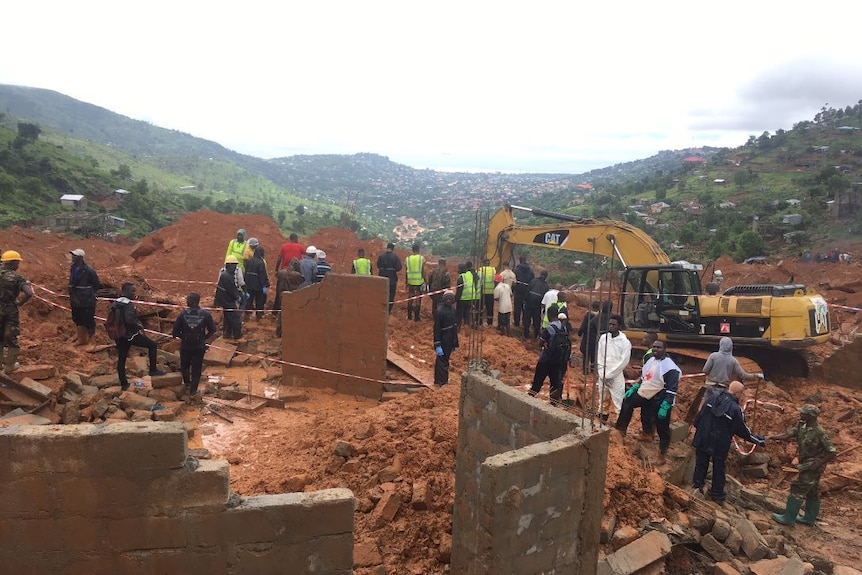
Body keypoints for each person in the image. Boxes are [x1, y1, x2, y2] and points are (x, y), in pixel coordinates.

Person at [690, 381, 765, 503]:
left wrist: (697, 427)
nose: (743, 396)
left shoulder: (712, 398)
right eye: (742, 393)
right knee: (719, 468)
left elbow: (700, 415)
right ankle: (717, 495)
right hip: (720, 443)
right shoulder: (736, 410)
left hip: (703, 436)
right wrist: (758, 440)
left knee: (701, 463)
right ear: (737, 393)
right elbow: (743, 430)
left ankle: (697, 487)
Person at [768, 404, 836, 526]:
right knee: (812, 491)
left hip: (813, 465)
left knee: (798, 488)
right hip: (806, 463)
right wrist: (771, 437)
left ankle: (788, 518)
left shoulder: (819, 432)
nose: (800, 414)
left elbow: (832, 452)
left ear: (811, 416)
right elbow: (788, 434)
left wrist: (818, 463)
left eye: (803, 413)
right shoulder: (801, 425)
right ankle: (809, 519)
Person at [615, 339, 680, 458]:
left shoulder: (670, 368)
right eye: (654, 347)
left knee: (662, 425)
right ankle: (623, 430)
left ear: (665, 349)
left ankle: (662, 453)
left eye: (659, 347)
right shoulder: (651, 360)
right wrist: (636, 387)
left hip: (661, 395)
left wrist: (666, 405)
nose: (656, 349)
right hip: (646, 391)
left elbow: (672, 389)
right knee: (629, 403)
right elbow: (645, 376)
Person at [110, 282, 165, 390]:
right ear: (125, 292)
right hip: (130, 335)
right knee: (152, 345)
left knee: (122, 359)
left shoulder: (115, 303)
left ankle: (124, 384)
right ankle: (153, 370)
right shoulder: (129, 305)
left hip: (119, 335)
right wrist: (139, 326)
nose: (134, 293)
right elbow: (129, 320)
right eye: (132, 291)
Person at [172, 292, 216, 399]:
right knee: (197, 368)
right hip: (199, 346)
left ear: (191, 301)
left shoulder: (182, 314)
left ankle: (187, 383)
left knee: (185, 365)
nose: (186, 301)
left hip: (185, 345)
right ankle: (193, 391)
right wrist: (204, 338)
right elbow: (213, 330)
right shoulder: (205, 314)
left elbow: (175, 331)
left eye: (187, 300)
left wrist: (183, 337)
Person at [0, 250, 34, 373]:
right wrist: (20, 303)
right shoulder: (16, 277)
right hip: (10, 310)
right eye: (18, 262)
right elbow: (29, 293)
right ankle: (10, 366)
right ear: (13, 263)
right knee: (11, 337)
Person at [528, 312, 571, 404]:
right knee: (555, 383)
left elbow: (540, 343)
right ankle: (554, 403)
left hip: (545, 360)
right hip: (558, 361)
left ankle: (528, 400)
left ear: (549, 316)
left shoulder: (548, 328)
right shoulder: (564, 328)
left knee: (537, 382)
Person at [596, 315, 632, 421]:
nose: (611, 326)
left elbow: (623, 361)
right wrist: (602, 373)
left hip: (616, 376)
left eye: (614, 325)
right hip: (603, 375)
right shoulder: (604, 338)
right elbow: (600, 356)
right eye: (610, 324)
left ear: (619, 326)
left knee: (618, 402)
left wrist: (610, 375)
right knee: (602, 400)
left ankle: (619, 428)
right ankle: (601, 422)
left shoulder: (624, 342)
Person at [68, 248, 100, 346]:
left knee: (88, 319)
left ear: (81, 258)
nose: (73, 257)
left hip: (86, 300)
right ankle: (82, 339)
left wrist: (88, 294)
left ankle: (91, 341)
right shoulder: (73, 268)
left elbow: (96, 284)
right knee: (77, 319)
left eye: (75, 256)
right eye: (73, 255)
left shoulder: (89, 270)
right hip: (75, 299)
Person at [433, 290, 459, 385]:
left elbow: (454, 327)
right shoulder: (440, 311)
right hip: (443, 340)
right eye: (447, 299)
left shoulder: (452, 310)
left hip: (449, 340)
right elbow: (437, 329)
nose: (449, 301)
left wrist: (455, 343)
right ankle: (441, 382)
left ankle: (441, 380)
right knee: (442, 362)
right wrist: (437, 344)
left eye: (450, 299)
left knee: (444, 361)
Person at [215, 256, 243, 339]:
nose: (235, 268)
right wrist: (237, 297)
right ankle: (237, 335)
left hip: (225, 300)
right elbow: (231, 290)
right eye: (234, 265)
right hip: (228, 301)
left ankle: (227, 333)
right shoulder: (227, 276)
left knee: (227, 318)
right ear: (229, 265)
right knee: (235, 317)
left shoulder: (226, 275)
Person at [243, 245, 269, 319]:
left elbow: (245, 273)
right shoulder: (261, 263)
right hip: (258, 286)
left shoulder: (249, 261)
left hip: (249, 285)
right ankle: (259, 316)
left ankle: (246, 316)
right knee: (259, 302)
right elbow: (262, 275)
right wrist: (265, 285)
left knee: (249, 301)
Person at [523, 270, 549, 339]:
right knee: (536, 320)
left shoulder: (533, 281)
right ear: (546, 276)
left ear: (540, 274)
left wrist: (525, 301)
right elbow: (545, 297)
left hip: (529, 302)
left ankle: (526, 334)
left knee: (527, 319)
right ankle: (535, 336)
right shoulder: (546, 285)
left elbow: (527, 291)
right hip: (537, 305)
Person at [377, 242, 402, 314]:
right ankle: (388, 311)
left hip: (381, 279)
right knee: (391, 295)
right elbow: (399, 268)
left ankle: (381, 309)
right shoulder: (395, 257)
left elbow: (378, 265)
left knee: (382, 294)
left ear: (387, 248)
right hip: (392, 280)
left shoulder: (381, 256)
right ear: (393, 249)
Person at [578, 301, 600, 375]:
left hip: (587, 337)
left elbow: (583, 325)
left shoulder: (588, 315)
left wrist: (580, 333)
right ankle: (593, 370)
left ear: (592, 307)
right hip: (596, 338)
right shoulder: (600, 316)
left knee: (586, 355)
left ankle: (585, 370)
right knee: (594, 354)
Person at [404, 243, 426, 322]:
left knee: (410, 298)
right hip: (418, 282)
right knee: (418, 299)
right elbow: (423, 271)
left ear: (412, 250)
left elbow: (406, 272)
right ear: (418, 250)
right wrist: (425, 281)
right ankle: (416, 317)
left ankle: (409, 316)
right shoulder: (421, 258)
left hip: (410, 281)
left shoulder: (407, 259)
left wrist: (406, 282)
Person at [455, 261, 479, 328]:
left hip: (462, 299)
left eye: (458, 269)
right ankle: (467, 329)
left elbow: (459, 291)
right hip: (471, 298)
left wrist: (455, 299)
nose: (457, 270)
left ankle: (458, 328)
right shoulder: (470, 274)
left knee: (459, 314)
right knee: (467, 315)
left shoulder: (461, 277)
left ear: (461, 269)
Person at [512, 256, 534, 328]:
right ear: (525, 260)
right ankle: (525, 323)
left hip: (518, 292)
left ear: (519, 260)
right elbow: (532, 281)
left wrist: (513, 290)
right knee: (525, 309)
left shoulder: (516, 270)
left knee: (517, 308)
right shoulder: (530, 271)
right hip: (527, 293)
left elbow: (514, 282)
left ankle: (516, 323)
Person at [478, 259, 497, 326]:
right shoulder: (493, 270)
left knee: (480, 307)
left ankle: (479, 322)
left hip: (482, 292)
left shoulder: (480, 270)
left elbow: (479, 280)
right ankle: (490, 322)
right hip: (491, 292)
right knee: (490, 308)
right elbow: (495, 280)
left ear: (483, 263)